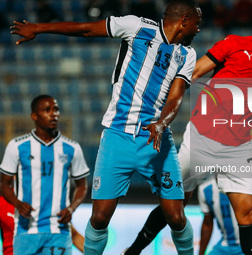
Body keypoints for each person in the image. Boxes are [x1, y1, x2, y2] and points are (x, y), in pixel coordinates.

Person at [10, 1, 202, 254]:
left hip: (156, 141)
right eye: (198, 24)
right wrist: (39, 28)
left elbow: (175, 97)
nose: (199, 30)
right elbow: (87, 28)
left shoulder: (187, 55)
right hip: (117, 137)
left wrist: (162, 122)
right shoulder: (137, 27)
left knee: (176, 217)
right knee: (100, 217)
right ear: (185, 21)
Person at [123, 7, 252, 255]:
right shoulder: (234, 44)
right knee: (174, 203)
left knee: (248, 211)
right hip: (202, 137)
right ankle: (134, 250)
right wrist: (162, 107)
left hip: (238, 146)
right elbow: (191, 74)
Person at [0, 95, 89, 255]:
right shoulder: (17, 146)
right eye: (47, 110)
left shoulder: (72, 148)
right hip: (25, 235)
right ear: (34, 116)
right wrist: (18, 204)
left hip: (58, 233)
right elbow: (4, 184)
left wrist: (71, 208)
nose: (53, 114)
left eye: (55, 109)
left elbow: (82, 185)